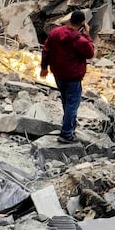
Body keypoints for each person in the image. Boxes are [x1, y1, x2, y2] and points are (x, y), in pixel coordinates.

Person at [39, 10, 95, 143]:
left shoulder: (55, 33)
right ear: (82, 23)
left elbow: (46, 50)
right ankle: (67, 134)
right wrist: (87, 35)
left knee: (66, 102)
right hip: (73, 76)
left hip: (58, 74)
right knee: (72, 104)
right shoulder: (80, 40)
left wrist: (44, 67)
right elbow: (90, 53)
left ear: (70, 20)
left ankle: (69, 126)